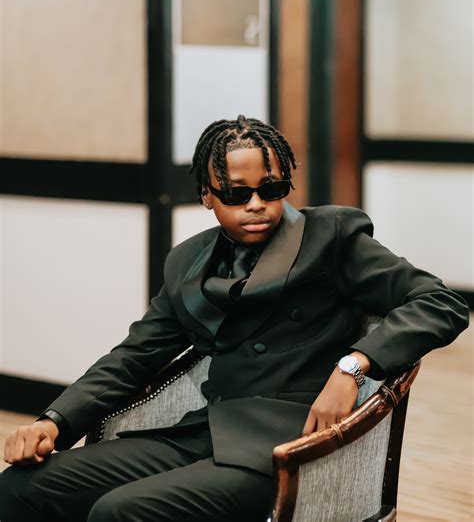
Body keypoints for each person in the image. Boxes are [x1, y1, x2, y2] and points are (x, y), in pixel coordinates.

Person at [0, 115, 469, 522]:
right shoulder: (188, 263)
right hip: (203, 433)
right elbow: (133, 357)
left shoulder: (332, 238)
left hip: (290, 448)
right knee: (21, 487)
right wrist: (54, 421)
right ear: (208, 196)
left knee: (120, 511)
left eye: (272, 189)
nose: (256, 204)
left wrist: (354, 366)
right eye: (236, 193)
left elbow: (439, 302)